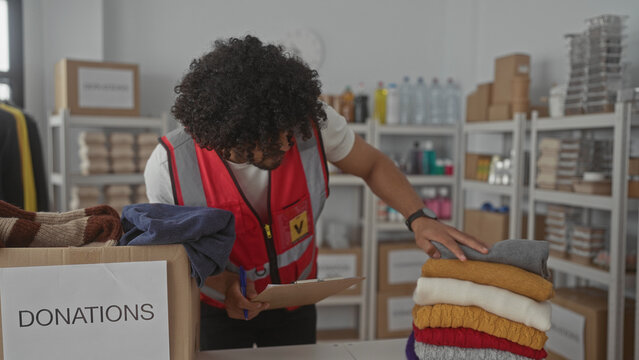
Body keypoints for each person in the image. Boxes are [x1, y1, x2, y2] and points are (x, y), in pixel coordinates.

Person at [144, 35, 488, 350]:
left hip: (295, 303)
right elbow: (177, 253)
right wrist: (226, 286)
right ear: (231, 138)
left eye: (289, 133)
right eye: (270, 140)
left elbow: (373, 165)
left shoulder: (311, 124)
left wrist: (418, 217)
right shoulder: (170, 165)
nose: (287, 144)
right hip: (219, 309)